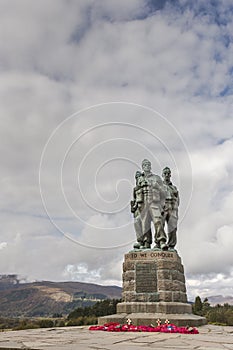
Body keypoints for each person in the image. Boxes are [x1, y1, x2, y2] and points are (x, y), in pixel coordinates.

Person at [138, 159, 168, 250]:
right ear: (142, 167)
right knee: (144, 224)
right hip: (143, 203)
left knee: (158, 221)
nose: (147, 166)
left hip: (154, 202)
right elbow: (137, 192)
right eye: (145, 165)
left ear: (150, 166)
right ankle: (146, 242)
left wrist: (157, 186)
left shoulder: (156, 178)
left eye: (148, 164)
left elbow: (164, 192)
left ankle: (161, 241)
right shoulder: (140, 179)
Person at [131, 171, 152, 249]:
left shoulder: (146, 188)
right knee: (137, 222)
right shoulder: (135, 189)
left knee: (145, 224)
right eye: (137, 177)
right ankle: (140, 241)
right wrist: (134, 206)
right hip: (137, 208)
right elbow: (134, 199)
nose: (138, 179)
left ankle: (147, 242)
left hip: (145, 207)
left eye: (139, 177)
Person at [162, 167, 179, 250]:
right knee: (160, 225)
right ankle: (160, 243)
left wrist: (175, 208)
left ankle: (171, 245)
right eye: (165, 173)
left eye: (168, 173)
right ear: (162, 175)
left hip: (172, 207)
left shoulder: (174, 188)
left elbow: (178, 199)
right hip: (163, 207)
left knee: (173, 227)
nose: (167, 175)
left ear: (170, 175)